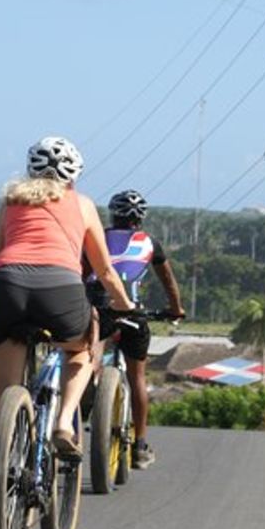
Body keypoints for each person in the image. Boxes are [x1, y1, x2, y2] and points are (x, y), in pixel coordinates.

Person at [0, 136, 134, 460]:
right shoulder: (83, 205)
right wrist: (124, 304)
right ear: (73, 175)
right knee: (85, 341)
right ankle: (64, 421)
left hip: (6, 285)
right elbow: (104, 270)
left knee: (1, 394)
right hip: (60, 289)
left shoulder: (11, 202)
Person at [86, 190, 185, 468]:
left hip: (98, 307)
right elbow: (168, 281)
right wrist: (175, 308)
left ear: (112, 214)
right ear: (140, 218)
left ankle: (85, 403)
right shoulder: (150, 243)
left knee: (88, 361)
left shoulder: (98, 236)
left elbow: (82, 272)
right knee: (137, 377)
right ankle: (140, 445)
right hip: (133, 312)